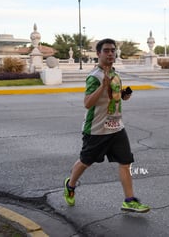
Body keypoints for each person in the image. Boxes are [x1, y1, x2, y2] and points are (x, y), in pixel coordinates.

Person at [63, 38, 150, 213]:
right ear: (98, 54)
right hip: (97, 129)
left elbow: (115, 97)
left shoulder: (115, 75)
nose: (110, 53)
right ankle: (70, 185)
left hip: (116, 127)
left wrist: (124, 95)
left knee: (125, 162)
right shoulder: (94, 77)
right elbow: (87, 103)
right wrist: (102, 88)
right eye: (106, 50)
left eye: (113, 50)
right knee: (85, 162)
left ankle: (129, 200)